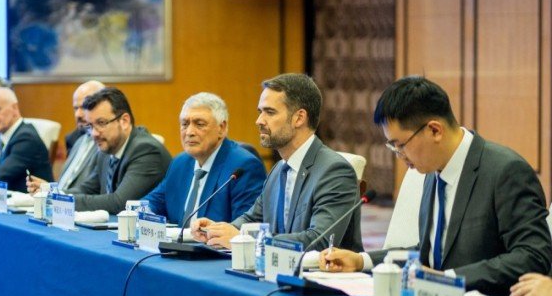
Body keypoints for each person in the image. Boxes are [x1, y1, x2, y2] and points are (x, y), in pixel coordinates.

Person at [321, 76, 552, 296]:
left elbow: (532, 255)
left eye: (400, 145)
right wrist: (362, 261)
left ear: (434, 130)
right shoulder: (433, 172)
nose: (399, 156)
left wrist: (448, 278)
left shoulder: (505, 171)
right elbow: (429, 251)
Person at [191, 73, 362, 251]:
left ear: (299, 118)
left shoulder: (334, 171)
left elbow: (318, 240)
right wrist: (218, 230)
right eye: (260, 112)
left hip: (321, 275)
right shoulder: (280, 168)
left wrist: (242, 238)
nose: (259, 121)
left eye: (270, 112)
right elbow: (252, 219)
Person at [142, 92, 266, 226]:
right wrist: (137, 211)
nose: (189, 132)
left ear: (221, 128)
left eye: (199, 124)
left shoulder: (243, 167)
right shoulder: (180, 163)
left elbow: (244, 228)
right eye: (184, 124)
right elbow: (152, 203)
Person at [44, 87, 171, 215]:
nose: (94, 133)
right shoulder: (106, 150)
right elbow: (88, 188)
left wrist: (63, 200)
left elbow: (120, 203)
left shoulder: (146, 151)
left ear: (124, 121)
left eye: (101, 123)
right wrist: (51, 193)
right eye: (90, 126)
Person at [27, 80, 105, 193]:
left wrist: (51, 191)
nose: (78, 114)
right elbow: (65, 185)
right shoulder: (79, 141)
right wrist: (46, 188)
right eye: (75, 108)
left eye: (84, 107)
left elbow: (91, 192)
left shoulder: (106, 144)